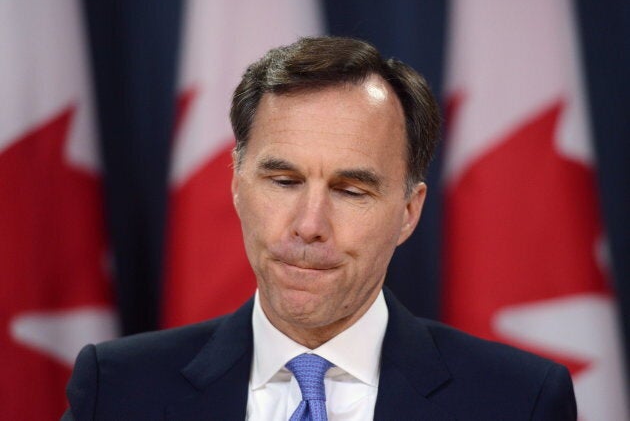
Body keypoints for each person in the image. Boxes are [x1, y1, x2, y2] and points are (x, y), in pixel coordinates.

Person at [62, 36, 577, 420]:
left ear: (408, 212)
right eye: (284, 181)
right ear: (238, 187)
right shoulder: (117, 389)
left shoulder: (517, 401)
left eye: (351, 191)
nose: (309, 226)